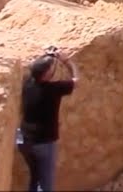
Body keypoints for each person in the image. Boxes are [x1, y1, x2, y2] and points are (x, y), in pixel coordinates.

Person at [17, 47, 79, 192]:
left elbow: (36, 68)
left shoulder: (28, 84)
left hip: (23, 139)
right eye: (51, 69)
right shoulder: (53, 89)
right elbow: (76, 81)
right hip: (43, 142)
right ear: (46, 75)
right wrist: (68, 62)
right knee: (45, 186)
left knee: (35, 177)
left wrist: (47, 56)